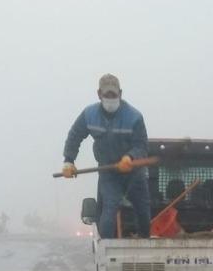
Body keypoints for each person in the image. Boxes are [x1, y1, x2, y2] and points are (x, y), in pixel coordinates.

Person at [62, 74, 151, 238]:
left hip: (133, 172)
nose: (111, 99)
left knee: (143, 210)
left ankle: (144, 241)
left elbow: (141, 145)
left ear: (121, 94)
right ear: (99, 94)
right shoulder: (89, 115)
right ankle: (107, 249)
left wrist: (130, 157)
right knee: (109, 208)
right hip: (108, 172)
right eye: (107, 95)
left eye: (114, 95)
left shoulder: (134, 117)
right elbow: (75, 136)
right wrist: (69, 161)